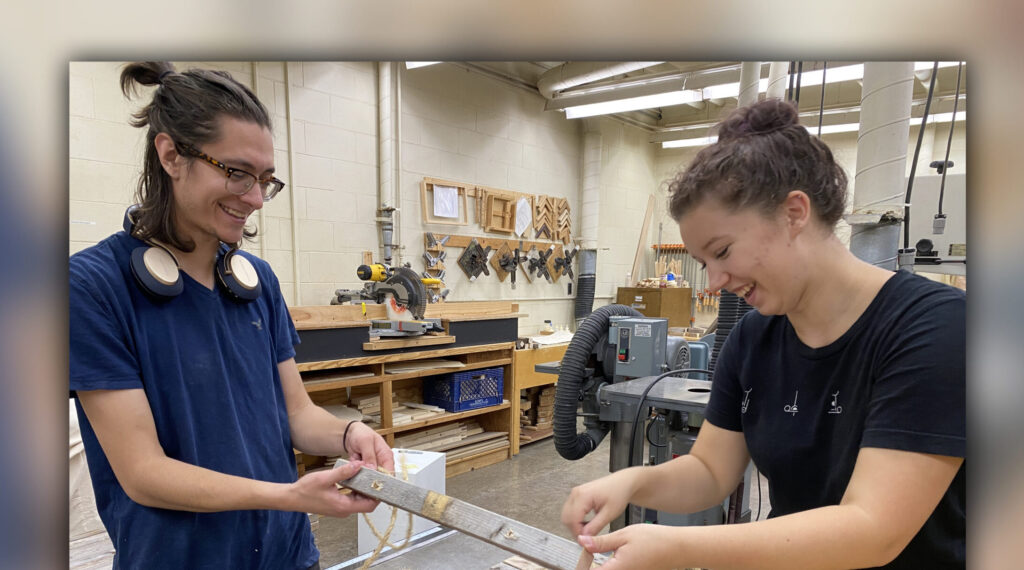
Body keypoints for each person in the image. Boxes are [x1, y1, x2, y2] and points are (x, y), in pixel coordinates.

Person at [562, 99, 965, 569]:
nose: (713, 282)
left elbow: (872, 529)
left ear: (794, 213)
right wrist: (630, 483)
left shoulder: (935, 329)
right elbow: (711, 470)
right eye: (703, 264)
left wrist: (679, 547)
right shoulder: (752, 340)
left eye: (723, 251)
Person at [69, 62, 394, 569]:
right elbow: (143, 473)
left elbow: (297, 414)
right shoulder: (92, 287)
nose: (256, 198)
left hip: (285, 553)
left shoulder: (256, 281)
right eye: (238, 173)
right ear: (171, 155)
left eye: (266, 180)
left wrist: (349, 435)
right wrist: (289, 495)